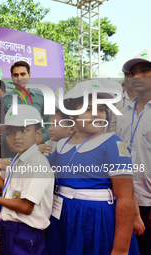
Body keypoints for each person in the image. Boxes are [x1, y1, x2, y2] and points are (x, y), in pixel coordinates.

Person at [46, 80, 139, 255]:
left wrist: (120, 249)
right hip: (64, 218)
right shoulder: (61, 145)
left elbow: (125, 198)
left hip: (97, 221)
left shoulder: (111, 143)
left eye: (101, 109)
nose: (97, 115)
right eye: (88, 109)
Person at [0, 104, 54, 255]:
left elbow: (25, 207)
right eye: (11, 131)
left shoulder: (36, 163)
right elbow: (10, 192)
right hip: (12, 230)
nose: (16, 136)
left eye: (24, 130)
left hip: (25, 234)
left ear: (38, 134)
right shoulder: (20, 158)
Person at [118, 48, 151, 255]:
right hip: (121, 198)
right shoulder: (120, 113)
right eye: (131, 73)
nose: (136, 76)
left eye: (144, 70)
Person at [2, 61, 50, 144]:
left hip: (36, 148)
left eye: (23, 74)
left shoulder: (42, 97)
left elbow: (51, 123)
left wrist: (40, 140)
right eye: (16, 75)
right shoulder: (4, 99)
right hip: (11, 149)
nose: (19, 78)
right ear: (12, 77)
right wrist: (8, 141)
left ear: (29, 75)